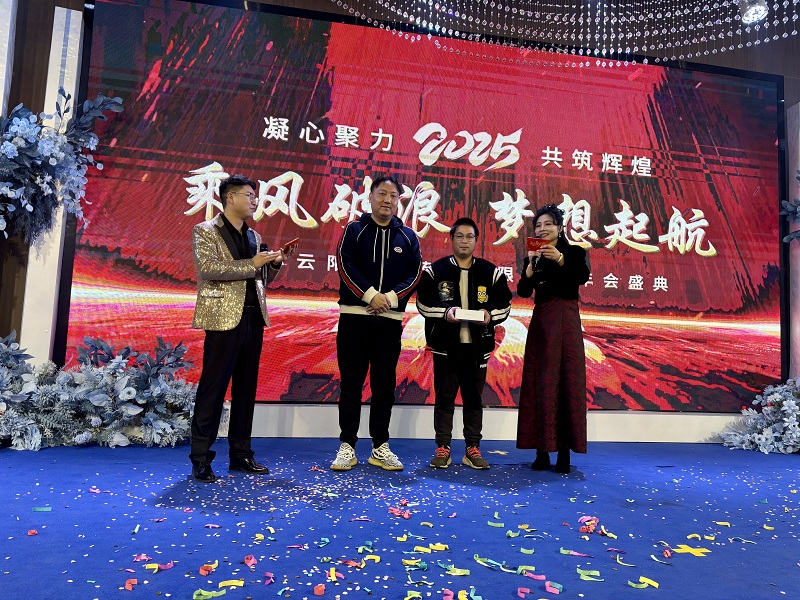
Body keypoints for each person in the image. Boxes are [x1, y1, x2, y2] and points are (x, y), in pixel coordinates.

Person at [189, 174, 292, 483]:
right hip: (222, 320)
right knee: (213, 389)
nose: (254, 201)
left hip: (252, 319)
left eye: (254, 196)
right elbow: (209, 269)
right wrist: (253, 263)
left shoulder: (254, 236)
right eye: (249, 195)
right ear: (230, 198)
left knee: (246, 390)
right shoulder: (205, 230)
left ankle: (241, 455)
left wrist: (274, 263)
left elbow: (260, 281)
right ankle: (200, 458)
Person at [330, 175, 422, 472]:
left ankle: (380, 447)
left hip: (389, 321)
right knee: (351, 384)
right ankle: (347, 445)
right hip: (354, 319)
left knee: (384, 386)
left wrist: (390, 299)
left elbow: (414, 274)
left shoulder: (408, 237)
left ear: (399, 201)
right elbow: (345, 265)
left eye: (393, 196)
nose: (387, 200)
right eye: (382, 194)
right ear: (369, 197)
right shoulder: (354, 230)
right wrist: (370, 295)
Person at [417, 217, 512, 469]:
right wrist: (446, 313)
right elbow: (423, 303)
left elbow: (505, 304)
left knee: (474, 400)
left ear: (476, 241)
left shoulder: (491, 273)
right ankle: (443, 448)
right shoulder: (435, 271)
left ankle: (472, 449)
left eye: (470, 237)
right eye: (459, 236)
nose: (464, 241)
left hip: (477, 349)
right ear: (451, 239)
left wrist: (489, 315)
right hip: (445, 348)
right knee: (444, 399)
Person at [516, 204, 590, 474]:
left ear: (559, 228)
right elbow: (524, 292)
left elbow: (581, 276)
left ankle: (564, 453)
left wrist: (559, 259)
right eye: (538, 225)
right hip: (542, 322)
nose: (542, 229)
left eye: (548, 224)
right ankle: (542, 451)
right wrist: (529, 270)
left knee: (565, 381)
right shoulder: (533, 257)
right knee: (541, 381)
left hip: (566, 321)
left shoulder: (574, 252)